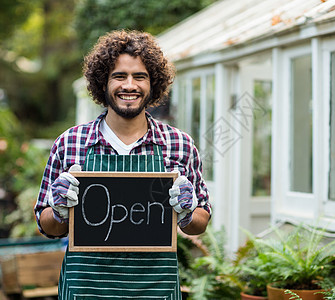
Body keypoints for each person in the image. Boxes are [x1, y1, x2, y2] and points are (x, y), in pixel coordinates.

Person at [34, 29, 211, 299]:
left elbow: (201, 221)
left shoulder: (180, 144)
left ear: (154, 84)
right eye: (119, 76)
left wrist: (188, 212)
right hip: (86, 290)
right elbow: (46, 226)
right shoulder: (70, 142)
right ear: (102, 83)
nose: (129, 85)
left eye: (140, 76)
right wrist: (58, 211)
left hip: (156, 290)